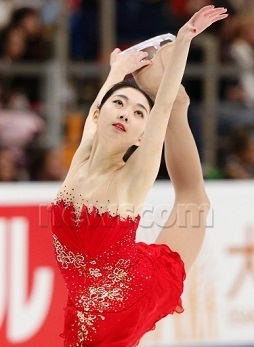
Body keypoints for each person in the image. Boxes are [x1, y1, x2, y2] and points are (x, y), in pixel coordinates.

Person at [51, 6, 228, 347]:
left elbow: (154, 110)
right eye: (119, 105)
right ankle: (174, 101)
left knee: (194, 199)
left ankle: (179, 104)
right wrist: (116, 70)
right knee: (195, 202)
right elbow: (94, 112)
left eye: (136, 114)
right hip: (89, 311)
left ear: (140, 138)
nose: (125, 114)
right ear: (101, 114)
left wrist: (186, 38)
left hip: (132, 298)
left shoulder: (133, 176)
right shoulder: (81, 160)